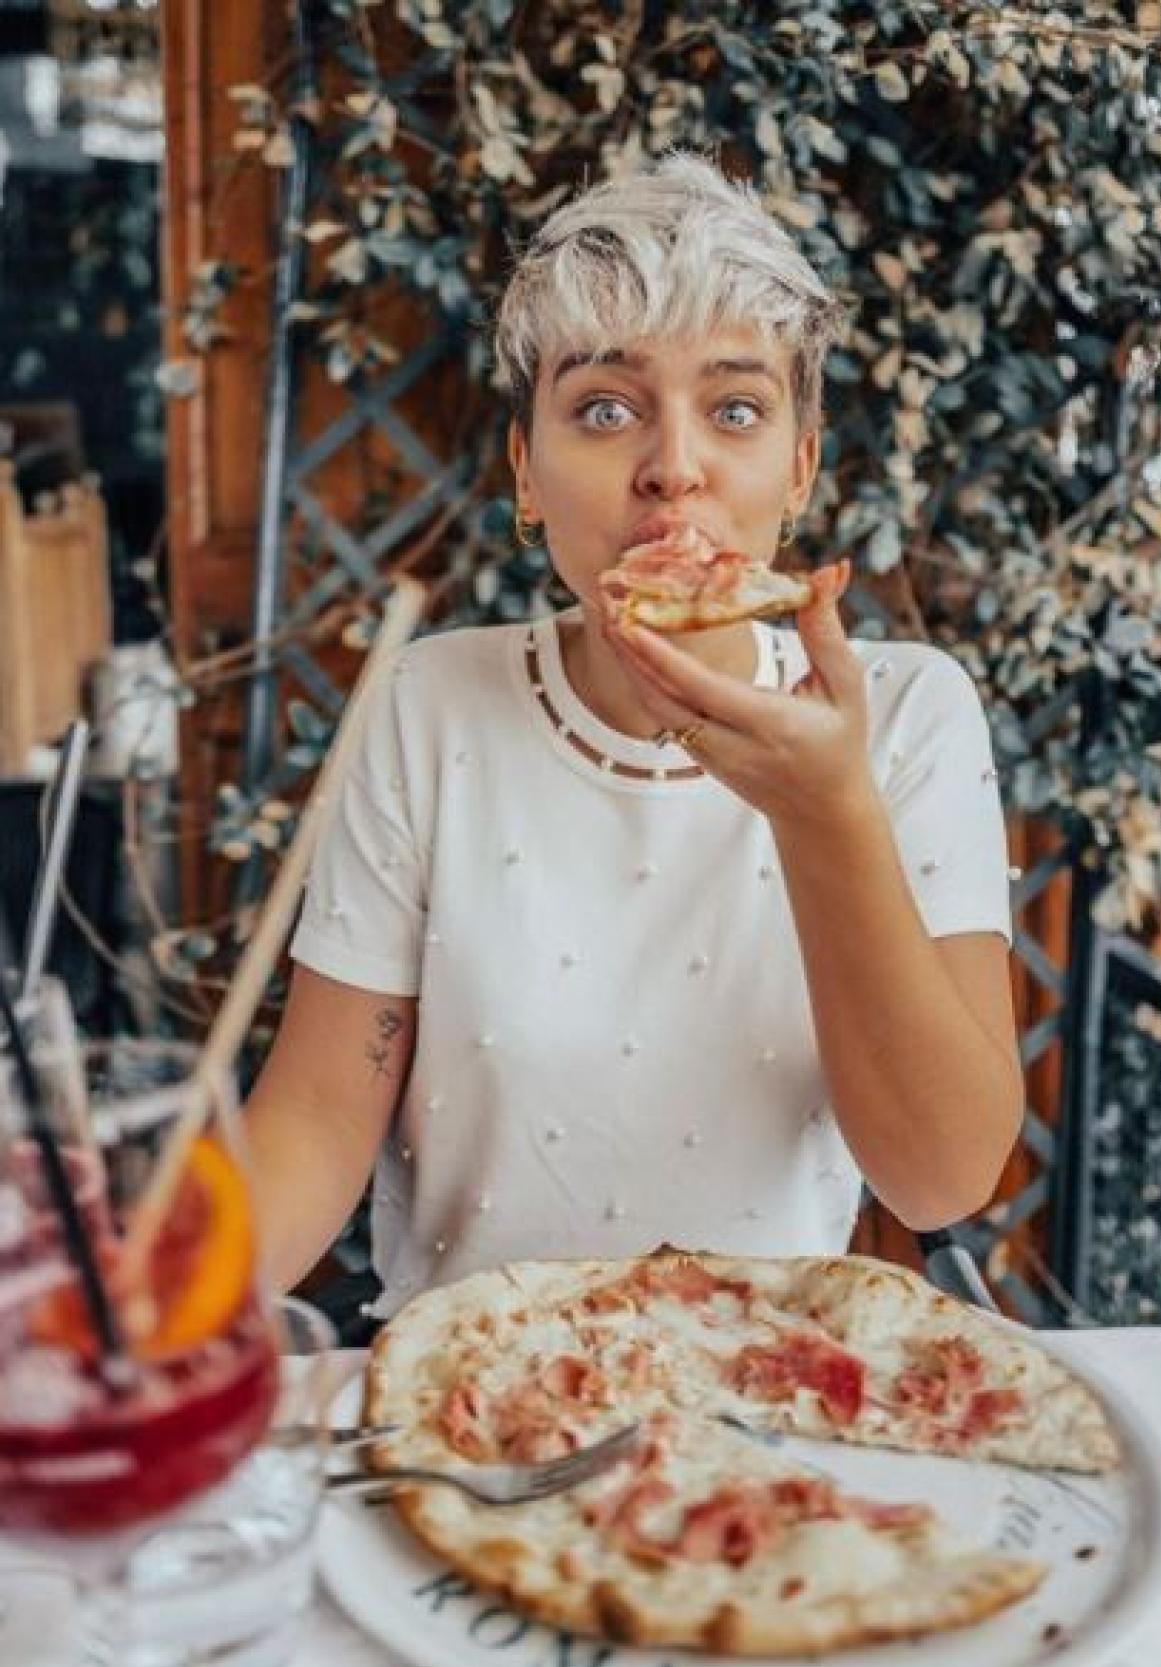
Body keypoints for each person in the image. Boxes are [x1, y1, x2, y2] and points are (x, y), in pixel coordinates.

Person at [245, 153, 1024, 1317]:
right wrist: (133, 1303)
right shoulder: (428, 701)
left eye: (735, 409)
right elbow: (311, 1121)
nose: (673, 469)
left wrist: (826, 809)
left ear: (799, 467)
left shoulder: (911, 714)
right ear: (525, 471)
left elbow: (941, 1176)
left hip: (765, 1383)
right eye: (604, 409)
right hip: (462, 1383)